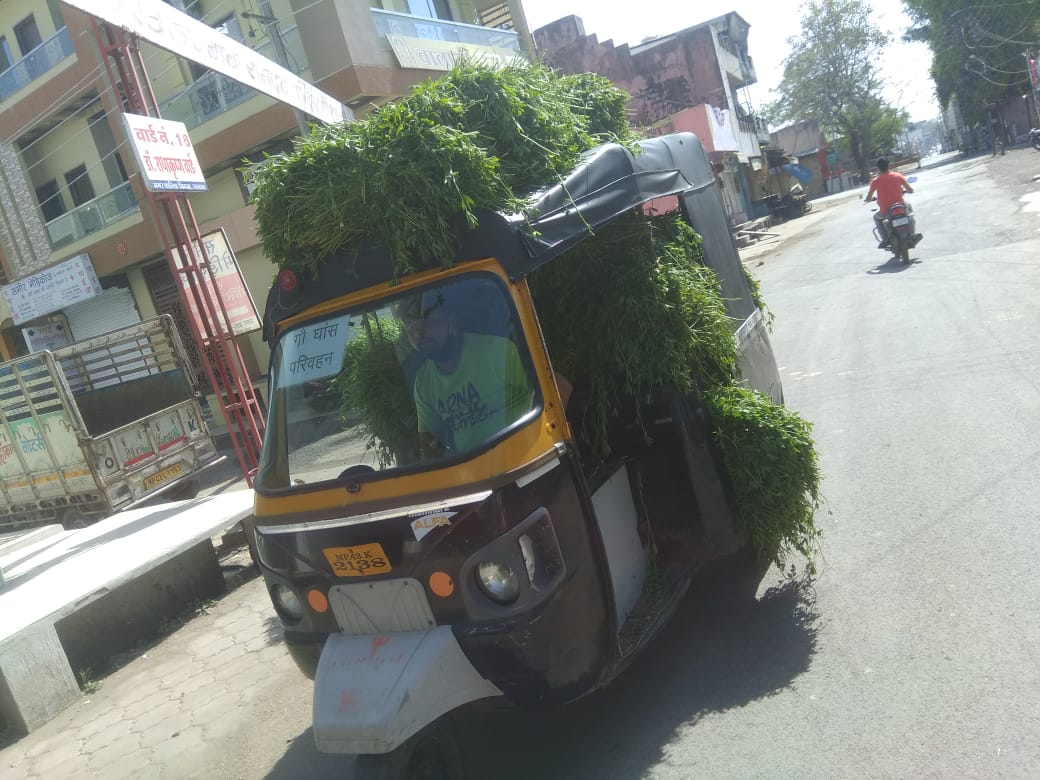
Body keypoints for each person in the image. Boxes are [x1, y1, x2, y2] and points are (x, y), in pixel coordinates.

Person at [410, 291, 533, 460]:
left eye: (431, 322)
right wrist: (453, 466)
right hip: (476, 476)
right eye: (417, 327)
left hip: (522, 462)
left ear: (451, 321)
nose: (423, 332)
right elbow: (427, 440)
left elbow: (558, 389)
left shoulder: (496, 352)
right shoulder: (424, 382)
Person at [864, 156, 922, 249]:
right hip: (901, 208)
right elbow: (910, 190)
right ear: (889, 165)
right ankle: (912, 235)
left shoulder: (875, 181)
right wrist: (907, 191)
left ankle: (885, 239)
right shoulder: (898, 176)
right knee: (910, 214)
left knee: (876, 218)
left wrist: (869, 199)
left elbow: (868, 197)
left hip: (885, 212)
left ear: (878, 168)